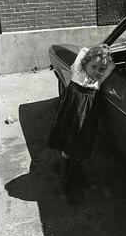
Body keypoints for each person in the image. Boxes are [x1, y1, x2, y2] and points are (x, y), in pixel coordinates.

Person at [48, 43, 115, 197]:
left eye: (101, 69)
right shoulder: (78, 72)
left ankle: (75, 172)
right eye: (94, 67)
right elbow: (84, 51)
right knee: (69, 143)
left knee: (81, 144)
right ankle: (65, 177)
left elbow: (112, 65)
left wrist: (104, 56)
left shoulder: (97, 82)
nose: (98, 71)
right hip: (72, 114)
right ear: (85, 64)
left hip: (87, 117)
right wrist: (97, 52)